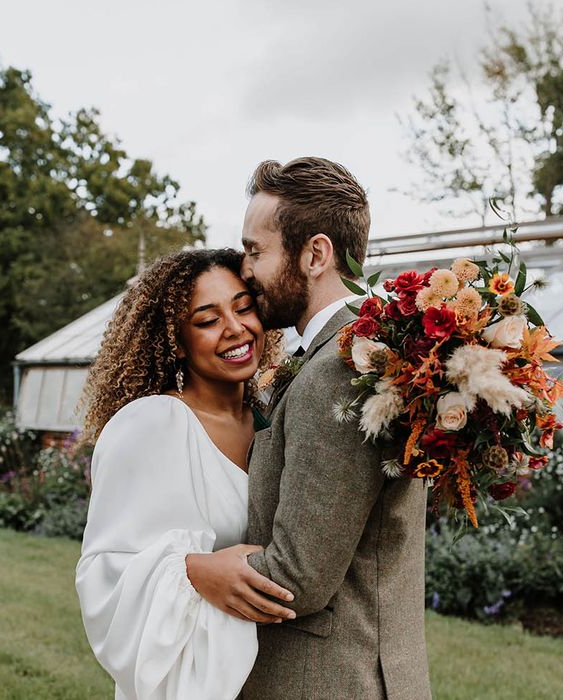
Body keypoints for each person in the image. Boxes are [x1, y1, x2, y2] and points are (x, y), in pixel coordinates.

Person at [185, 158, 432, 699]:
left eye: (255, 251)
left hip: (331, 681)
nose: (244, 270)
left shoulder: (339, 369)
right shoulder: (359, 353)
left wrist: (191, 569)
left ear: (315, 254)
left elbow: (297, 578)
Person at [74, 248, 296, 700]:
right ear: (176, 340)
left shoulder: (274, 419)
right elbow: (101, 570)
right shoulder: (151, 424)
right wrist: (193, 571)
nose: (235, 329)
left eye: (243, 307)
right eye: (207, 319)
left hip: (272, 674)